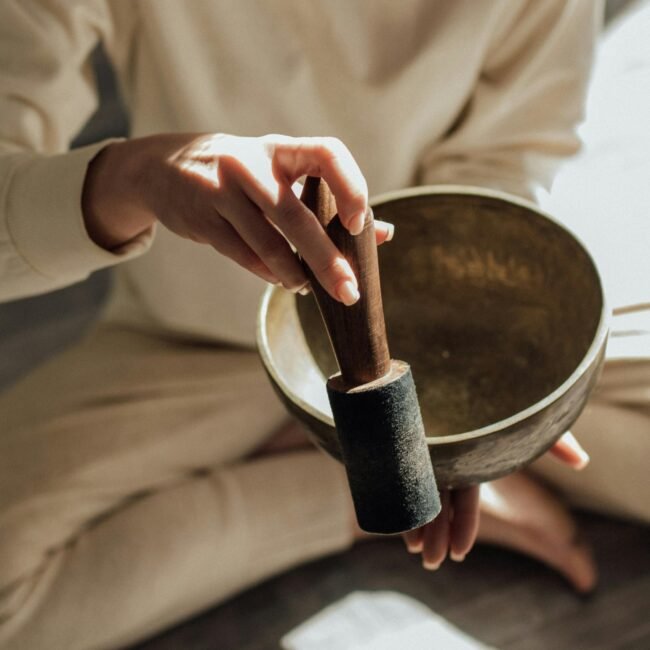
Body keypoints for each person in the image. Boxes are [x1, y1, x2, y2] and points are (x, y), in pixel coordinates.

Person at [1, 1, 647, 648]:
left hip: (430, 329)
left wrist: (473, 385)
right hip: (193, 340)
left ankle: (368, 456)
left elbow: (508, 152)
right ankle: (348, 486)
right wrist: (136, 176)